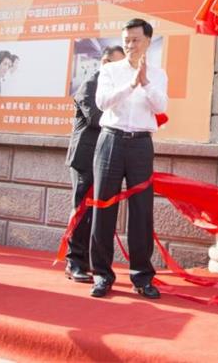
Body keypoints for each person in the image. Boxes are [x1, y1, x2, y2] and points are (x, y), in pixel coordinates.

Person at [89, 19, 168, 299]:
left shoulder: (158, 74)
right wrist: (130, 85)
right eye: (126, 40)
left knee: (142, 211)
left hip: (141, 144)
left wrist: (144, 82)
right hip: (111, 139)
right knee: (103, 207)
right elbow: (102, 102)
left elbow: (161, 105)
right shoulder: (110, 70)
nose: (130, 45)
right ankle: (102, 274)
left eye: (135, 40)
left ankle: (142, 277)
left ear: (148, 41)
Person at [63, 45, 125, 283]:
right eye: (112, 63)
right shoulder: (91, 84)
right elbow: (98, 119)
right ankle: (74, 262)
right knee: (82, 211)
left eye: (120, 64)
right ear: (103, 62)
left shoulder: (114, 88)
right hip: (85, 158)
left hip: (104, 158)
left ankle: (89, 261)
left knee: (97, 213)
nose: (116, 68)